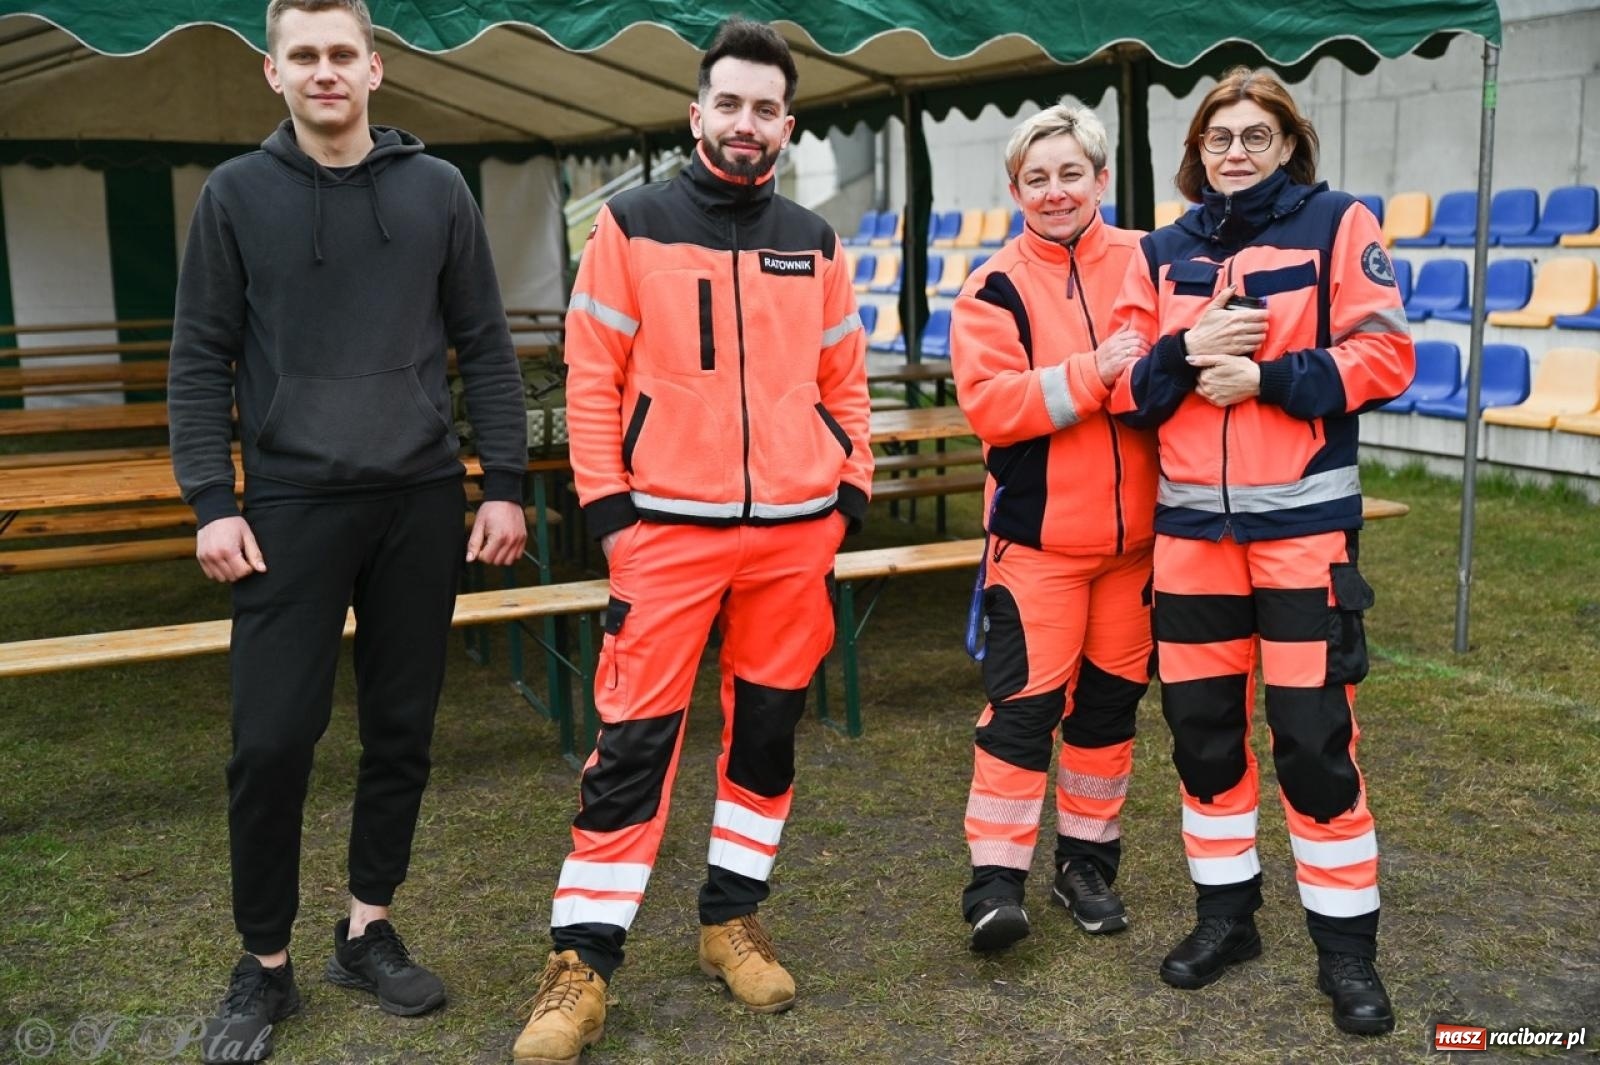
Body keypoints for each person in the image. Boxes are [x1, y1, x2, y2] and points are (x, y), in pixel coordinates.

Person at [168, 0, 528, 1060]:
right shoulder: (235, 197)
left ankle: (366, 925)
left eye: (341, 55)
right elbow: (199, 359)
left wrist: (498, 481)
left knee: (401, 732)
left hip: (419, 496)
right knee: (271, 742)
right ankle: (264, 962)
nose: (324, 72)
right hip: (286, 505)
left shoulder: (436, 192)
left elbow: (486, 346)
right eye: (303, 57)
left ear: (374, 68)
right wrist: (212, 500)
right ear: (273, 75)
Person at [511, 16, 871, 1064]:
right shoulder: (628, 227)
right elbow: (590, 381)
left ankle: (730, 921)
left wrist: (845, 493)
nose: (746, 121)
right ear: (696, 113)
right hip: (665, 535)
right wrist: (611, 514)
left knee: (763, 738)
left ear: (786, 123)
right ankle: (580, 965)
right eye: (730, 103)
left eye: (766, 107)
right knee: (630, 750)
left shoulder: (815, 238)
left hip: (795, 542)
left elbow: (844, 382)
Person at [1110, 67, 1414, 1035]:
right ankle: (1225, 919)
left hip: (1302, 540)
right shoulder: (1157, 252)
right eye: (1217, 137)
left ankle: (1347, 955)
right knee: (1202, 742)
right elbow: (1126, 387)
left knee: (1315, 746)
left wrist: (1270, 377)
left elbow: (1386, 356)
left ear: (1288, 145)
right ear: (1195, 152)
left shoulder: (1340, 226)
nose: (1233, 150)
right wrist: (1187, 348)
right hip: (1191, 542)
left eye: (1254, 135)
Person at [948, 101, 1157, 954]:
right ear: (1015, 189)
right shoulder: (992, 285)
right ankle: (994, 884)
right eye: (1038, 177)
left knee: (1108, 714)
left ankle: (1087, 866)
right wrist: (1093, 373)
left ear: (1101, 179)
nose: (1056, 189)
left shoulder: (1150, 260)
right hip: (1037, 550)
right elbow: (992, 407)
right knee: (1020, 715)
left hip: (1138, 547)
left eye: (1072, 172)